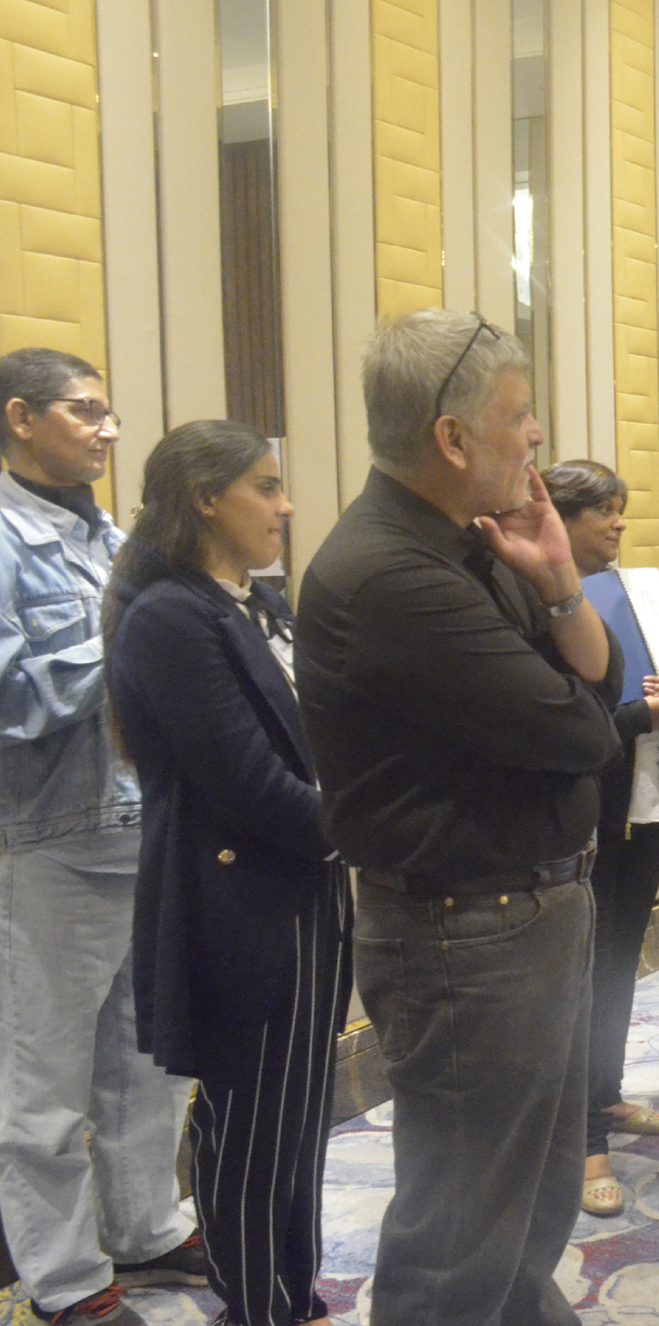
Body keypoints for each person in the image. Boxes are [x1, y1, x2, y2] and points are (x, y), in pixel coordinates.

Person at [295, 310, 622, 1325]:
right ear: (450, 436)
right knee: (458, 1239)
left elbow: (601, 686)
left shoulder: (479, 544)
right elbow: (586, 734)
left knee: (532, 1203)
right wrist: (574, 671)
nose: (536, 438)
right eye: (518, 417)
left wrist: (560, 582)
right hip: (463, 933)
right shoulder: (390, 575)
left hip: (521, 916)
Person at [105, 421, 348, 1326]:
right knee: (249, 1128)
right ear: (206, 500)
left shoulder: (255, 601)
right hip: (233, 904)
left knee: (298, 1120)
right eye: (265, 487)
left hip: (303, 889)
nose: (286, 506)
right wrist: (371, 829)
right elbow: (247, 783)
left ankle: (295, 1296)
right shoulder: (170, 616)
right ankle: (258, 1308)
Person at [0, 349, 203, 1326]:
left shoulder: (113, 536)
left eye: (110, 412)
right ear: (21, 418)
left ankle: (146, 1228)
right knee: (43, 1086)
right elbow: (14, 699)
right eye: (85, 411)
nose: (108, 430)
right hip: (50, 844)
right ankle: (67, 1280)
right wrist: (128, 630)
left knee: (147, 1061)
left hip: (144, 833)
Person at [542, 458, 659, 1217]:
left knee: (617, 966)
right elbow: (559, 728)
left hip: (647, 802)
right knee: (580, 978)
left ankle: (604, 1094)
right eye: (603, 511)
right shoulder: (545, 607)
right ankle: (580, 1139)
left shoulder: (630, 593)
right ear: (561, 520)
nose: (618, 523)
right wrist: (643, 715)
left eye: (621, 508)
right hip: (588, 816)